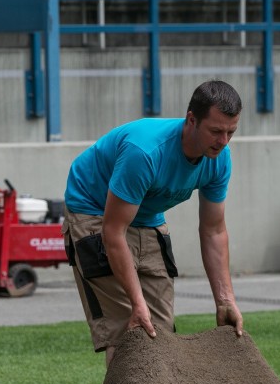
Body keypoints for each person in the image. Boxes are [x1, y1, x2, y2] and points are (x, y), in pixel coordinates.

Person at [62, 80, 244, 366]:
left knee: (160, 332)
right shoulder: (145, 152)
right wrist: (137, 303)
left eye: (231, 132)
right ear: (191, 120)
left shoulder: (219, 160)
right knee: (131, 329)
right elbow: (113, 231)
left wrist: (225, 299)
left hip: (147, 218)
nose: (223, 141)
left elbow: (213, 230)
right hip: (94, 211)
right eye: (216, 131)